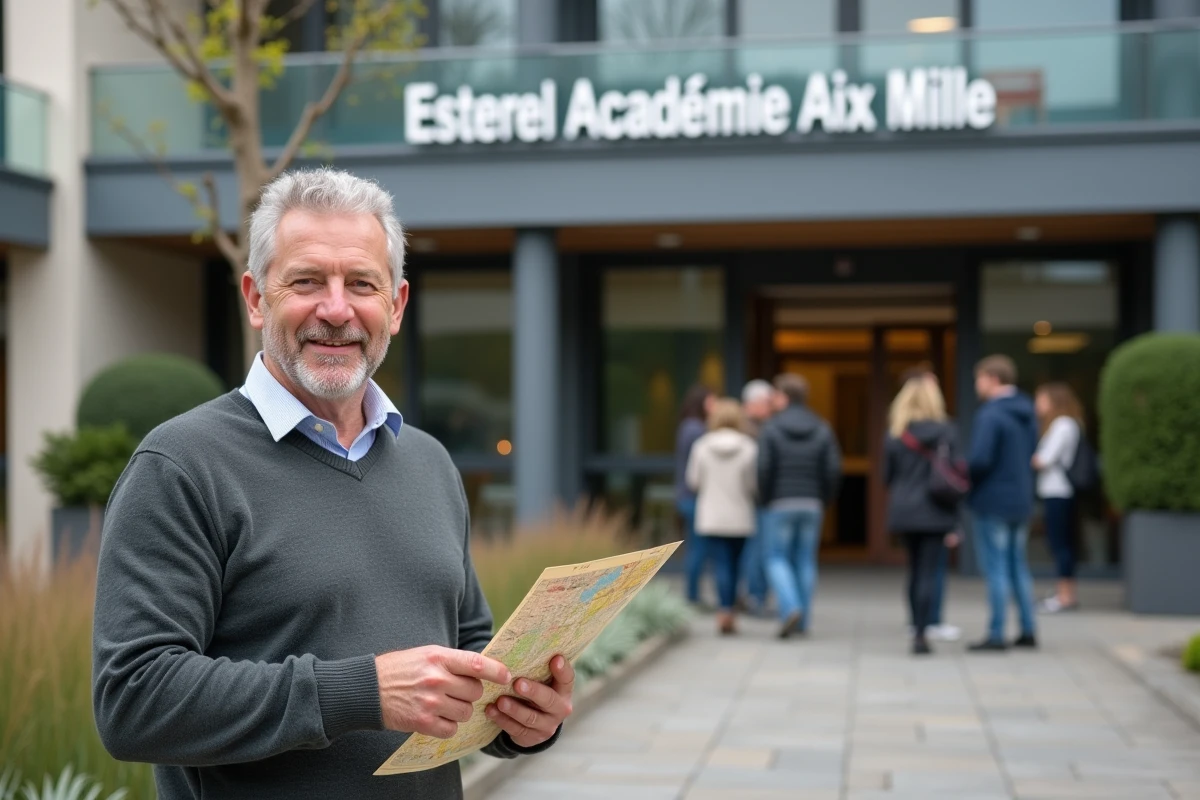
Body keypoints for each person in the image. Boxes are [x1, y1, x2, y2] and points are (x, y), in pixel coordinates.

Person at [92, 168, 572, 799]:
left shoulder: (427, 461)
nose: (337, 309)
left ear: (395, 307)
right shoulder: (181, 465)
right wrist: (362, 692)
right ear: (258, 297)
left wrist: (519, 716)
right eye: (308, 281)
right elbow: (134, 701)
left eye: (362, 285)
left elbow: (467, 646)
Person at [758, 373, 842, 638]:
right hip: (812, 503)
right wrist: (824, 497)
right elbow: (833, 468)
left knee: (775, 558)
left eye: (775, 395)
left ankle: (790, 607)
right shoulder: (821, 427)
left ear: (784, 397)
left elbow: (763, 468)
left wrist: (767, 498)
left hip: (780, 502)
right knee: (805, 560)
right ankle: (803, 621)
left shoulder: (771, 428)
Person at [966, 355, 1040, 653]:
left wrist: (963, 473)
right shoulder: (1027, 412)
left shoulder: (991, 415)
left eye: (979, 378)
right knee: (1017, 566)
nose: (976, 385)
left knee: (996, 568)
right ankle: (1028, 629)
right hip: (1021, 499)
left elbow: (980, 460)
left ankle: (996, 633)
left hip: (993, 500)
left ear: (993, 378)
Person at [884, 377, 963, 656]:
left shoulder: (896, 433)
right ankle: (922, 632)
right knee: (930, 571)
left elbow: (887, 476)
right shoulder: (947, 431)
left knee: (914, 571)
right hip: (937, 509)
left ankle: (914, 625)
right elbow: (955, 473)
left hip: (906, 510)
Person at [685, 399, 759, 635]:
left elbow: (693, 481)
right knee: (736, 565)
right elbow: (752, 484)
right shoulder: (749, 446)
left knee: (720, 565)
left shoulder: (701, 446)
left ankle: (724, 611)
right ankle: (731, 611)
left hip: (712, 517)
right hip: (740, 516)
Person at [1033, 382, 1085, 614]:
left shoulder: (1062, 424)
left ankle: (1065, 596)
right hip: (1060, 492)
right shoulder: (1067, 424)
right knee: (1063, 543)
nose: (1037, 405)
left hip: (1059, 491)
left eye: (1041, 399)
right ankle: (1065, 593)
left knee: (1060, 544)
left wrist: (1033, 458)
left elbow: (1044, 460)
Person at [738, 379, 775, 615]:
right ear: (753, 403)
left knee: (758, 550)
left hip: (755, 498)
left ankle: (755, 597)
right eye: (767, 402)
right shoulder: (750, 431)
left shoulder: (761, 427)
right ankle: (755, 597)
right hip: (752, 498)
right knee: (756, 551)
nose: (770, 407)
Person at [675, 384, 715, 607]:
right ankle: (692, 596)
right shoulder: (696, 429)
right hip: (693, 496)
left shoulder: (688, 426)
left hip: (687, 495)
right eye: (712, 400)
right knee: (697, 548)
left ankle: (693, 594)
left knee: (695, 547)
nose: (715, 405)